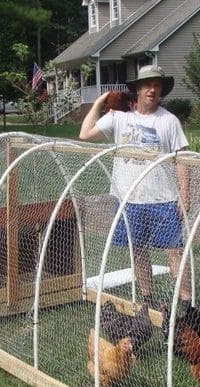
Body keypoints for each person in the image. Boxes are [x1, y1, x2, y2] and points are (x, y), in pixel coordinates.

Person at [79, 65, 192, 336]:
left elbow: (183, 161)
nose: (152, 90)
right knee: (138, 250)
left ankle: (186, 304)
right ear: (138, 90)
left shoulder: (168, 121)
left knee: (175, 250)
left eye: (157, 85)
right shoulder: (119, 118)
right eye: (147, 85)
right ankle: (148, 299)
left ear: (161, 90)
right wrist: (99, 103)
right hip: (128, 198)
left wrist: (184, 196)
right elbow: (85, 134)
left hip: (163, 198)